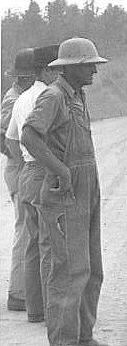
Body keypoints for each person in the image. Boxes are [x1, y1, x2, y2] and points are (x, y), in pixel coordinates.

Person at [21, 37, 111, 346]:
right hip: (63, 193)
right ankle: (60, 342)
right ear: (70, 67)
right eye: (88, 65)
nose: (94, 71)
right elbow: (30, 134)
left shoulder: (77, 95)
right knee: (67, 270)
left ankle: (83, 336)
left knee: (91, 267)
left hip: (86, 189)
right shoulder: (54, 96)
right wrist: (60, 170)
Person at [6, 45, 60, 323]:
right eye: (58, 69)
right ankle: (52, 309)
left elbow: (12, 140)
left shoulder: (21, 99)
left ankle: (35, 309)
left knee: (31, 244)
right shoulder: (50, 97)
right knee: (49, 242)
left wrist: (25, 162)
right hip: (43, 171)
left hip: (26, 170)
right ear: (48, 70)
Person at [2, 48, 36, 311]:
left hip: (19, 168)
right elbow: (7, 139)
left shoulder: (20, 96)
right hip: (19, 169)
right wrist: (23, 162)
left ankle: (24, 292)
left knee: (27, 229)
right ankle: (18, 294)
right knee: (25, 230)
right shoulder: (15, 100)